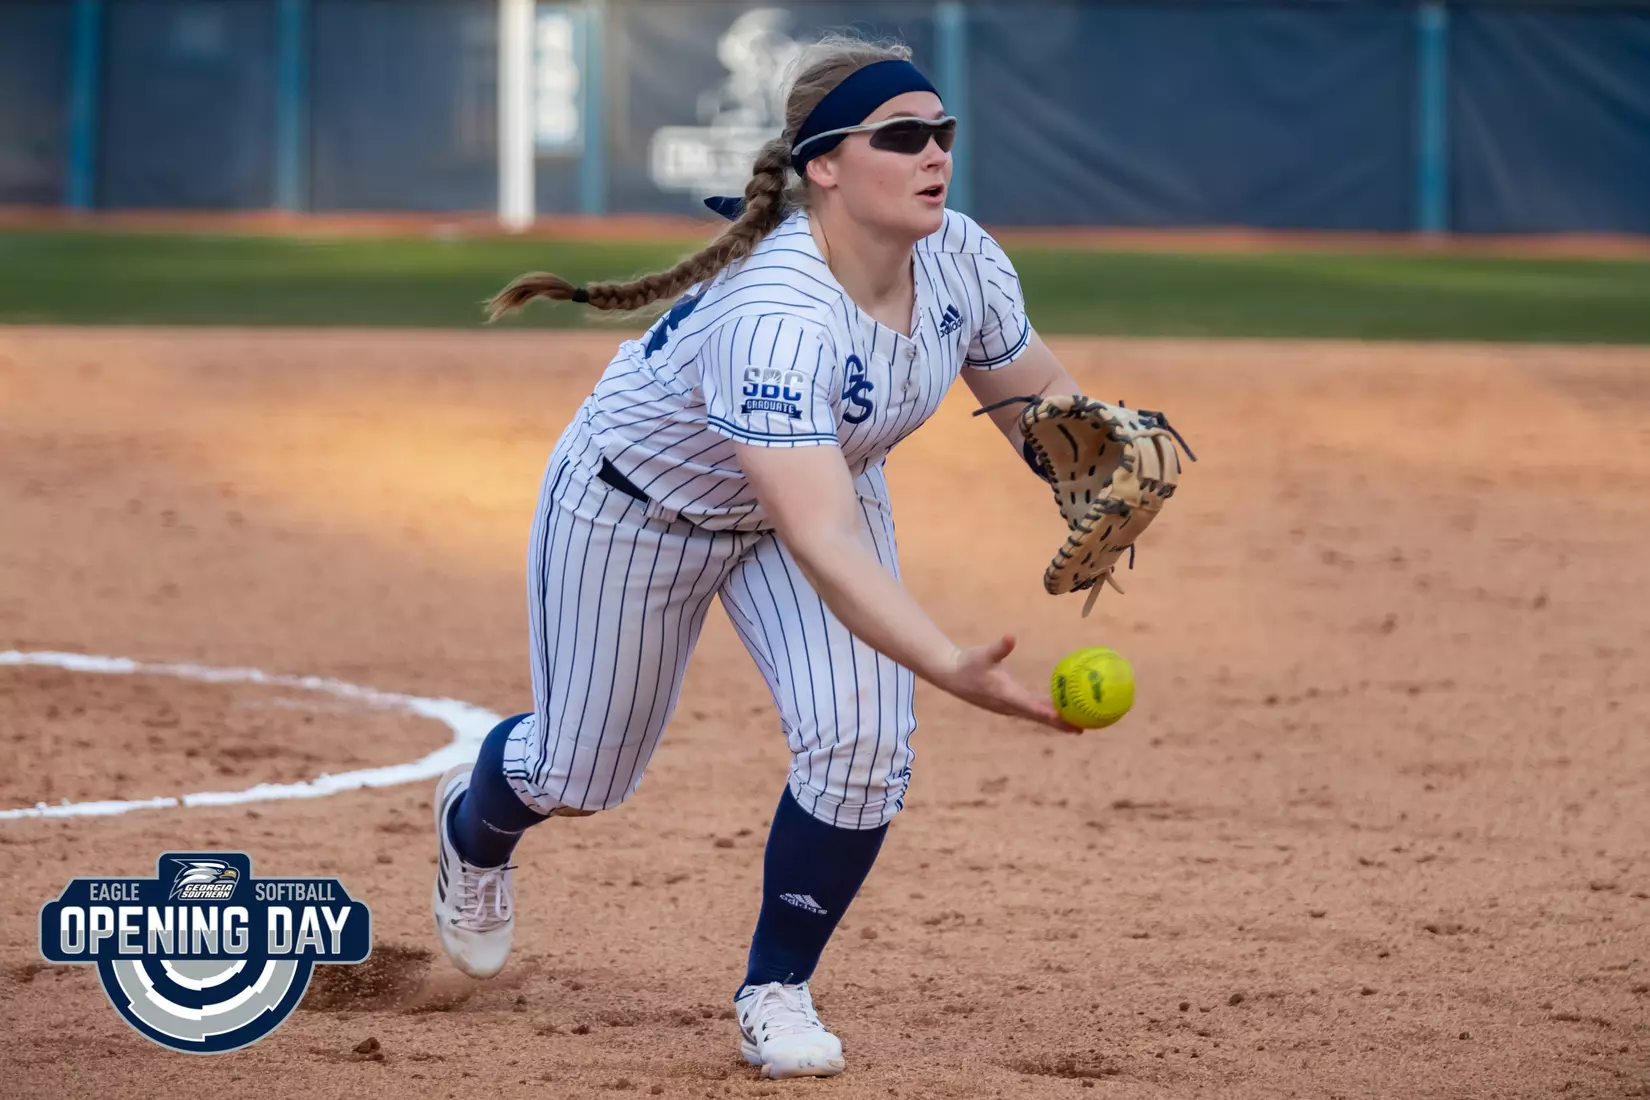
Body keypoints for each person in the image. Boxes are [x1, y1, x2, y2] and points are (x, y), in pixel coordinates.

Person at [431, 34, 1091, 1080]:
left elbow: (1037, 407)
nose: (937, 156)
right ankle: (474, 830)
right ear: (824, 164)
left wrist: (1101, 467)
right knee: (580, 770)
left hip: (810, 487)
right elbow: (824, 540)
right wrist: (946, 662)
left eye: (943, 133)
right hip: (638, 511)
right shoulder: (775, 311)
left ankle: (775, 987)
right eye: (904, 135)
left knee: (865, 735)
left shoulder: (960, 256)